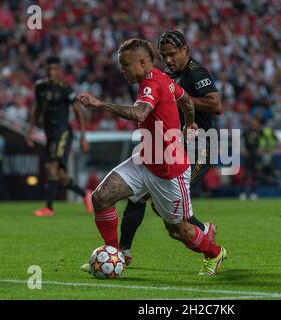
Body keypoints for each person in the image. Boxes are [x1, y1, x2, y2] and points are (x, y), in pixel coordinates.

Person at [77, 38, 226, 276]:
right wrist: (190, 123)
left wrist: (99, 104)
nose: (122, 70)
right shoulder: (163, 79)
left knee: (179, 231)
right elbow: (186, 100)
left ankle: (215, 253)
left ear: (142, 62)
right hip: (145, 161)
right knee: (101, 197)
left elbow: (139, 112)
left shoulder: (152, 83)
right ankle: (114, 254)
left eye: (126, 65)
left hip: (169, 171)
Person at [119, 30, 223, 266]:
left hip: (202, 146)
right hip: (172, 145)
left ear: (186, 49)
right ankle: (122, 252)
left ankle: (206, 238)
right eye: (164, 56)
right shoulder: (167, 74)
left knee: (160, 204)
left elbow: (216, 105)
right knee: (137, 197)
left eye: (173, 54)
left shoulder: (196, 73)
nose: (168, 60)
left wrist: (176, 95)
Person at [26, 56, 92, 216]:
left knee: (51, 167)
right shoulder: (40, 87)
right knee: (61, 175)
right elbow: (38, 109)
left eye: (54, 69)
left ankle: (48, 207)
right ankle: (85, 194)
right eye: (49, 69)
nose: (51, 72)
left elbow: (78, 112)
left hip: (62, 132)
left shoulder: (66, 89)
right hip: (49, 133)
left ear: (59, 71)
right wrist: (31, 130)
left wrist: (83, 137)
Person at [240, 118, 263, 200]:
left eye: (256, 122)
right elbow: (241, 140)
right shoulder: (246, 131)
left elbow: (263, 140)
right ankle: (243, 192)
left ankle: (254, 193)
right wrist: (243, 149)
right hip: (248, 155)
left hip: (255, 156)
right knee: (245, 174)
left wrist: (261, 148)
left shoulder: (260, 131)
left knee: (256, 174)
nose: (255, 124)